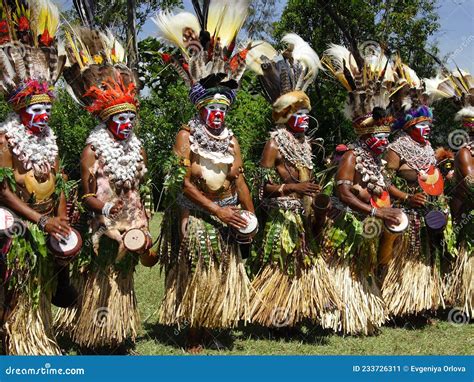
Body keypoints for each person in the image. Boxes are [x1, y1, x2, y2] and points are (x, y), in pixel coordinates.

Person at [154, 0, 255, 352]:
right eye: (211, 109)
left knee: (223, 268)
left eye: (221, 110)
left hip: (227, 210)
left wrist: (249, 214)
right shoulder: (186, 135)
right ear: (201, 108)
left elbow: (239, 179)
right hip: (197, 212)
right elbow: (181, 183)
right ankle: (194, 333)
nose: (216, 116)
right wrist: (217, 212)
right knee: (199, 267)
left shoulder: (231, 139)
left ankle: (212, 323)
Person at [54, 27, 152, 350]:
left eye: (130, 118)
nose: (127, 124)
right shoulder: (92, 149)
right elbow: (86, 195)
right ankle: (95, 334)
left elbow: (142, 186)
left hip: (132, 223)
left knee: (123, 276)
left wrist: (143, 218)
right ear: (108, 120)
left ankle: (118, 331)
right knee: (101, 278)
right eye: (120, 118)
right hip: (103, 227)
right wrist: (106, 209)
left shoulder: (138, 148)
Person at [245, 34, 340, 329]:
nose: (303, 119)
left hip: (302, 213)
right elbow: (261, 187)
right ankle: (273, 316)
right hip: (281, 216)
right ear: (285, 115)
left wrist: (315, 195)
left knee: (303, 260)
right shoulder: (274, 144)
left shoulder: (304, 144)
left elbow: (308, 179)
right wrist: (293, 188)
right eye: (297, 114)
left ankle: (299, 312)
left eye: (305, 114)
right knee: (282, 263)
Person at [0, 0, 75, 354]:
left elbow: (59, 181)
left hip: (45, 221)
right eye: (36, 109)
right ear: (20, 109)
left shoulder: (50, 139)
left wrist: (59, 216)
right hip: (16, 222)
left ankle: (37, 339)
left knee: (44, 283)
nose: (43, 116)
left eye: (47, 108)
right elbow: (2, 191)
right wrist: (40, 220)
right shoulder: (5, 140)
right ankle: (13, 343)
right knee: (15, 285)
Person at [321, 42, 402, 335]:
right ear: (365, 134)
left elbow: (381, 187)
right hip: (346, 222)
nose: (383, 142)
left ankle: (360, 313)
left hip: (366, 222)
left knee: (362, 264)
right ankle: (338, 316)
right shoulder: (352, 156)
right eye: (378, 136)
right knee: (343, 265)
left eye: (385, 136)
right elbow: (342, 193)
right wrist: (374, 211)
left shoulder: (375, 158)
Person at [381, 59, 453, 318]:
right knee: (406, 254)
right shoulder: (396, 147)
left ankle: (423, 302)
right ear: (410, 125)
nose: (427, 128)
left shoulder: (427, 147)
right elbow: (383, 181)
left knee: (426, 253)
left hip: (429, 211)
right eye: (422, 124)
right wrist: (407, 197)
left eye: (428, 124)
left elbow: (433, 177)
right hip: (407, 211)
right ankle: (399, 305)